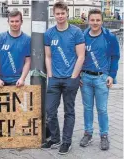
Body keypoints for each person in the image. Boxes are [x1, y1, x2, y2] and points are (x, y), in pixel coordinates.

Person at [42, 1, 85, 155]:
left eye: (62, 13)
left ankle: (66, 142)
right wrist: (50, 75)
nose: (60, 16)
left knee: (69, 111)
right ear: (54, 14)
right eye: (57, 13)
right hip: (54, 79)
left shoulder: (76, 32)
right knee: (50, 111)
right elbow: (48, 56)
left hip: (70, 79)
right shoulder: (49, 33)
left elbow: (81, 56)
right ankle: (55, 138)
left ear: (67, 13)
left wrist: (74, 77)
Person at [79, 9, 120, 151]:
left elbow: (115, 56)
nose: (95, 23)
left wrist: (111, 75)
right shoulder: (82, 36)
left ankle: (104, 135)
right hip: (85, 78)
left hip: (101, 78)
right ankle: (88, 133)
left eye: (98, 20)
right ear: (88, 21)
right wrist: (78, 74)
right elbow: (77, 56)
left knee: (102, 109)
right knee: (87, 108)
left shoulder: (109, 37)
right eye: (92, 20)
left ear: (101, 21)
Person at [0, 10, 31, 87]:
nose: (14, 24)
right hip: (0, 80)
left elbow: (28, 61)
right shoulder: (0, 38)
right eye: (12, 21)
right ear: (8, 22)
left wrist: (22, 78)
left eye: (17, 21)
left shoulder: (27, 40)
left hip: (17, 80)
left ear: (21, 22)